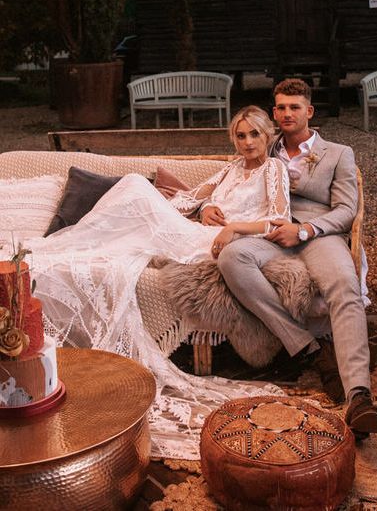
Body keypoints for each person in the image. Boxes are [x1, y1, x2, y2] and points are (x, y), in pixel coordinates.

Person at [25, 106, 289, 459]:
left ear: (267, 135)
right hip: (197, 230)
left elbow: (278, 218)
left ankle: (75, 244)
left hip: (223, 243)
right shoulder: (230, 168)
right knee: (133, 185)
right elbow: (186, 201)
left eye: (254, 134)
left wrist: (233, 227)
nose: (247, 142)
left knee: (134, 185)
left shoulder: (274, 169)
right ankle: (72, 247)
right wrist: (205, 208)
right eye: (240, 136)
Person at [217, 78, 377, 437]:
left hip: (317, 234)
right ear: (274, 112)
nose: (287, 113)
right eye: (281, 107)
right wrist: (209, 208)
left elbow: (346, 210)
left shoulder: (338, 153)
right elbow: (230, 180)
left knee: (344, 284)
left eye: (295, 107)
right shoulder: (263, 143)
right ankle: (306, 347)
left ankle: (359, 395)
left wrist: (306, 230)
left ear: (309, 111)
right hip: (270, 233)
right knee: (232, 258)